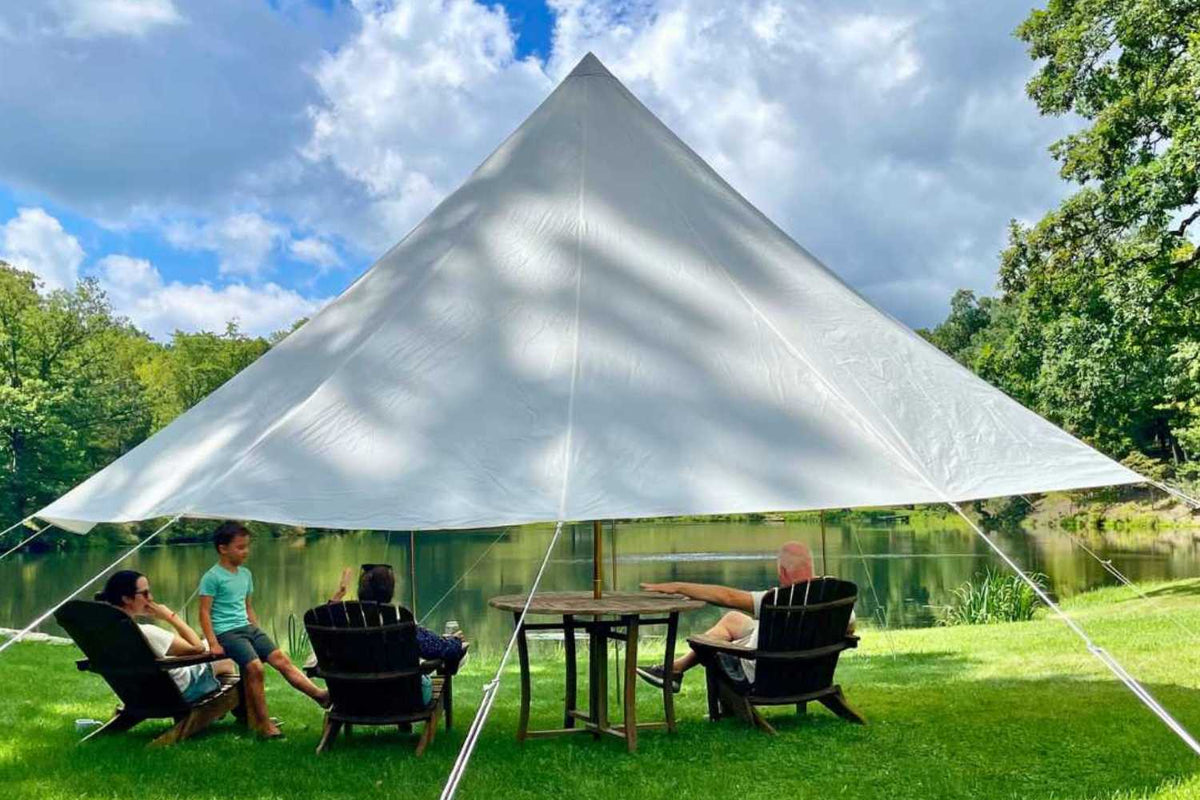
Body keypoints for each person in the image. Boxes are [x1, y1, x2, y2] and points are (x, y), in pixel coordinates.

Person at [636, 541, 853, 692]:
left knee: (709, 644)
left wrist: (678, 586)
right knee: (732, 619)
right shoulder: (835, 598)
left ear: (783, 573)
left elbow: (727, 596)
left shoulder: (776, 600)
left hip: (763, 677)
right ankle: (675, 669)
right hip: (810, 676)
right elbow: (850, 626)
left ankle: (676, 673)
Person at [198, 521, 329, 738]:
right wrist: (213, 642)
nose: (246, 552)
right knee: (255, 668)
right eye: (240, 547)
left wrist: (257, 633)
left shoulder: (246, 575)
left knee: (281, 660)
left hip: (247, 629)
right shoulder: (212, 577)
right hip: (227, 633)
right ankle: (263, 725)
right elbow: (203, 612)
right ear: (223, 548)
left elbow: (248, 606)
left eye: (247, 546)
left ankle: (320, 696)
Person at [94, 569, 235, 702]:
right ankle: (233, 708)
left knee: (213, 644)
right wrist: (170, 616)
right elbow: (197, 648)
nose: (151, 598)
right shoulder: (145, 633)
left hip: (137, 696)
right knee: (224, 654)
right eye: (145, 593)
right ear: (126, 599)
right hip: (176, 693)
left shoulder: (103, 632)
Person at [329, 564, 467, 669]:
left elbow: (327, 619)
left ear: (361, 590)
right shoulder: (402, 625)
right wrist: (455, 641)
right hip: (401, 698)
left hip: (349, 699)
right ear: (390, 592)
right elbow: (441, 650)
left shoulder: (344, 626)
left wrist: (339, 593)